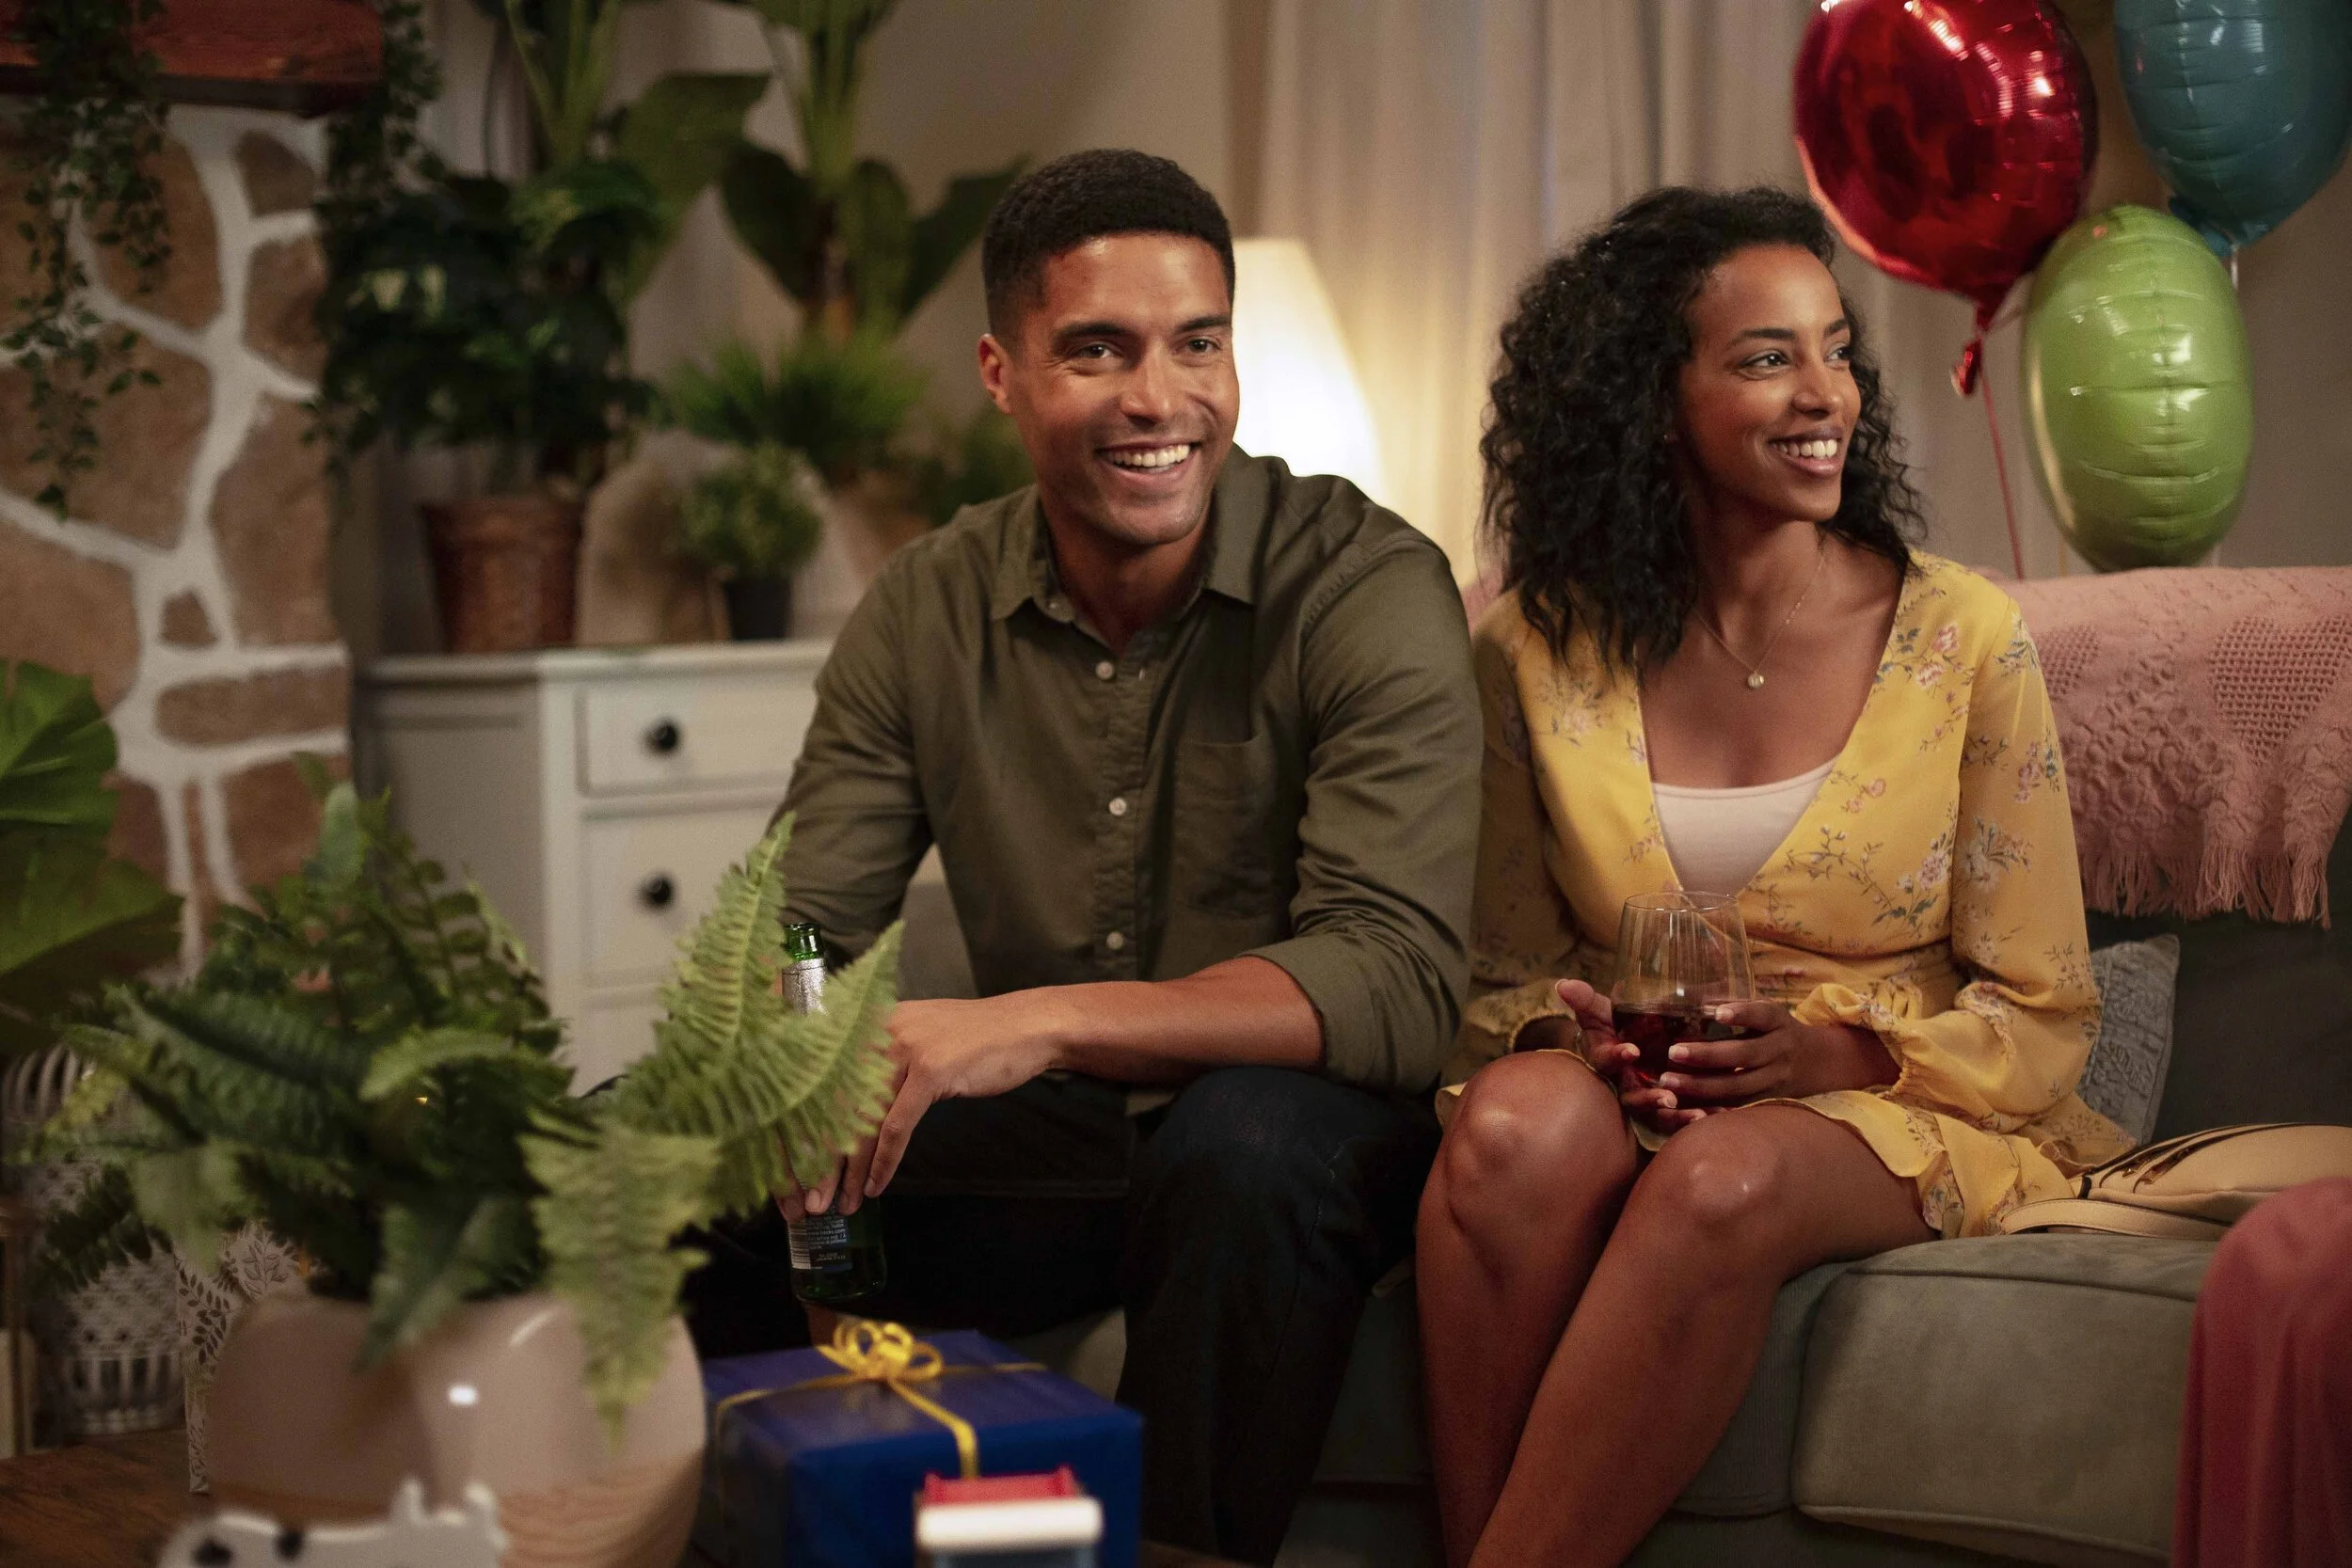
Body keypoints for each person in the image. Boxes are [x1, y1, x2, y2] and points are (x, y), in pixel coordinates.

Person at [714, 148, 1480, 1565]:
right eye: (1099, 350)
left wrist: (1029, 1022)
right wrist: (800, 1066)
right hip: (1060, 1151)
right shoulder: (928, 603)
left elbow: (1395, 981)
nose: (1159, 397)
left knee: (1240, 1148)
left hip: (1312, 1134)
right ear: (1002, 373)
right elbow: (800, 926)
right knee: (680, 1140)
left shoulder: (1365, 583)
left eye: (1198, 344)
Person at [1416, 185, 2132, 1568]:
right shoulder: (1527, 651)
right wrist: (1585, 1037)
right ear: (1648, 396)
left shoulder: (1963, 636)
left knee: (1721, 1181)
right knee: (1510, 1131)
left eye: (1837, 348)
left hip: (1889, 1092)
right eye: (1766, 357)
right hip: (1635, 1076)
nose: (1829, 394)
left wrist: (1824, 1047)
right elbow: (1491, 977)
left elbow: (2048, 1009)